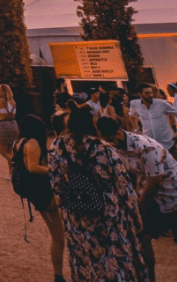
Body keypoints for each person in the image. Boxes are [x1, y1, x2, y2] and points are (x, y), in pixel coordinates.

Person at [49, 102, 148, 281]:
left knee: (85, 258)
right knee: (114, 258)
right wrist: (135, 214)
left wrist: (64, 201)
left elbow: (55, 182)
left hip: (76, 213)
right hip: (108, 212)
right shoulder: (102, 148)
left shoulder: (57, 148)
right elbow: (123, 185)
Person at [97, 115, 177, 281]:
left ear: (120, 131)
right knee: (141, 235)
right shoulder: (117, 146)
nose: (111, 143)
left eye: (112, 139)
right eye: (106, 140)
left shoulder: (146, 147)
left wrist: (138, 207)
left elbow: (154, 184)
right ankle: (148, 277)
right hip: (158, 200)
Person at [14, 115, 65, 282]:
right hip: (42, 190)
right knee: (58, 236)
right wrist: (54, 170)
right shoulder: (33, 143)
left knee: (57, 234)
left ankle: (58, 274)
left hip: (34, 191)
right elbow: (32, 167)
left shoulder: (20, 142)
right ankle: (58, 274)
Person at [129, 83, 177, 153]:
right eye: (147, 93)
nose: (150, 95)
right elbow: (132, 116)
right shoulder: (135, 104)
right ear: (140, 94)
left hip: (167, 143)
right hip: (150, 144)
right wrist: (136, 130)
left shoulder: (162, 103)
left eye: (151, 92)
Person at [0, 84, 18, 179]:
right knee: (10, 150)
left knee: (3, 152)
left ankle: (16, 162)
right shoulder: (13, 101)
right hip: (13, 124)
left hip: (3, 125)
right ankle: (11, 173)